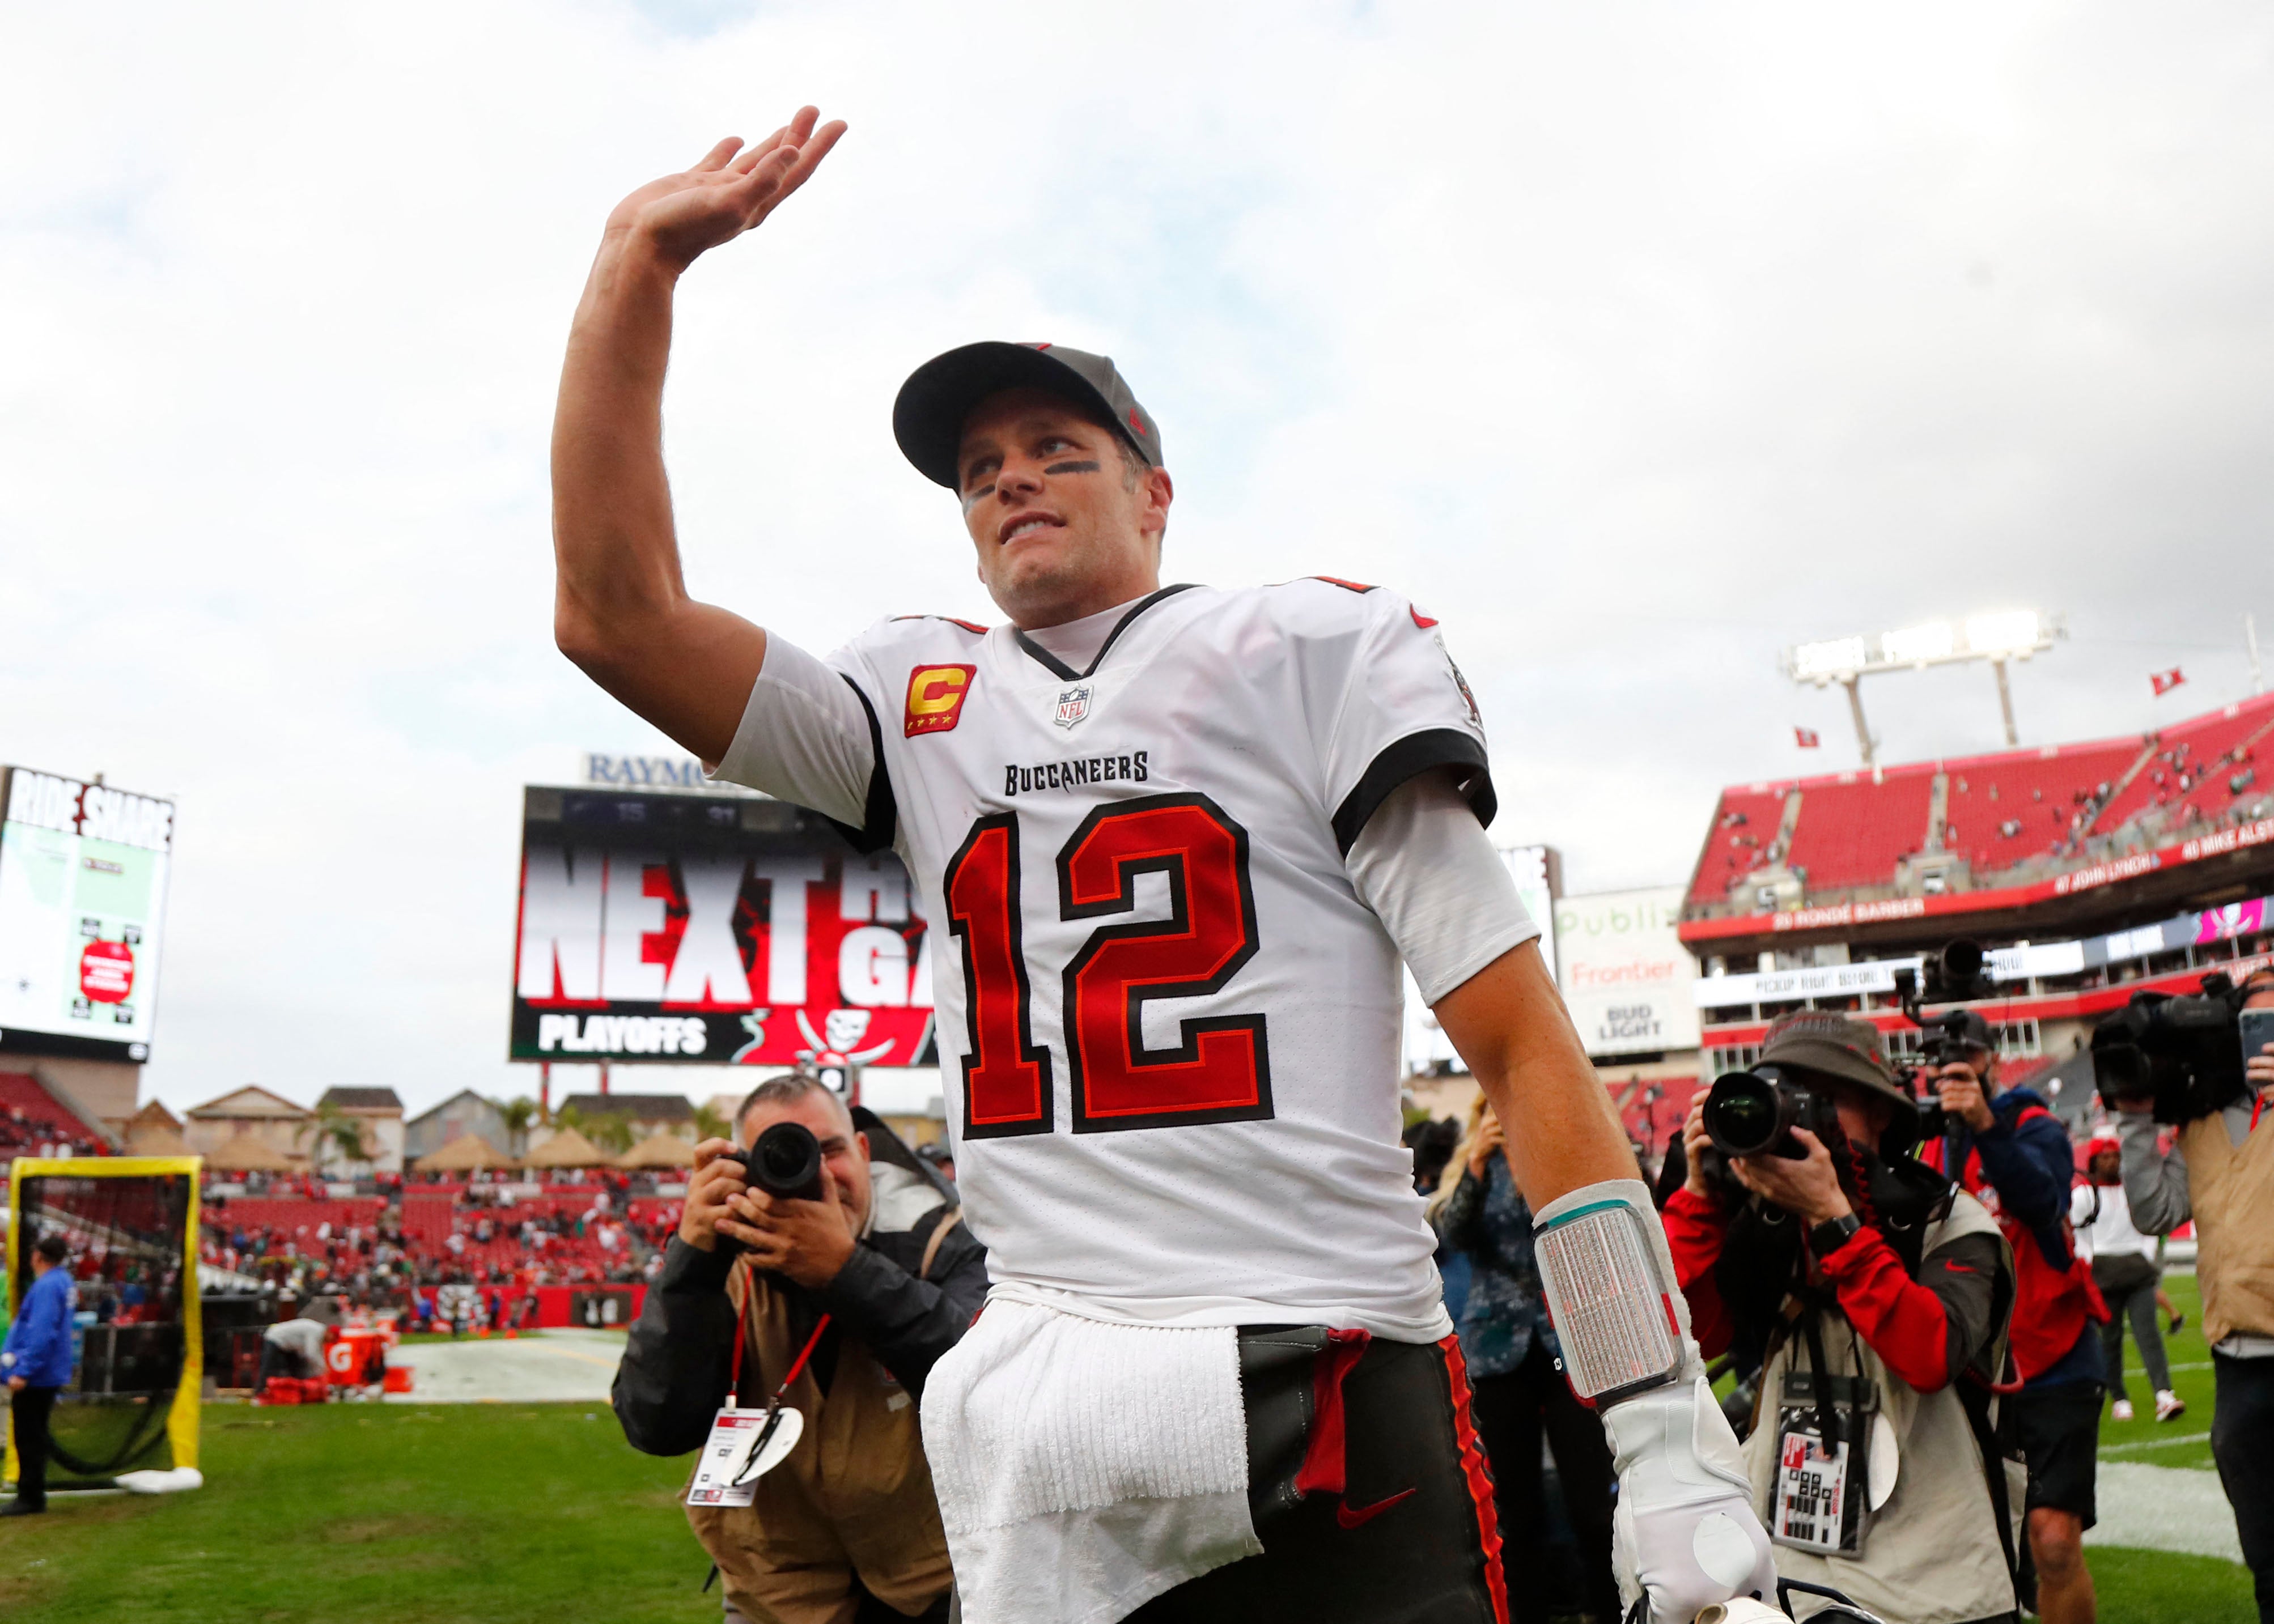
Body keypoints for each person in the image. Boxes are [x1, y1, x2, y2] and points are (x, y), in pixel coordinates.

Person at [551, 104, 1773, 1624]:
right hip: (1044, 1380)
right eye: (980, 466)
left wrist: (1658, 1419)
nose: (1010, 479)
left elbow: (1518, 1042)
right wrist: (635, 268)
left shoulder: (1307, 647)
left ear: (1155, 489)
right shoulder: (909, 697)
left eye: (1057, 448)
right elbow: (614, 615)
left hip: (1311, 1353)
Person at [1663, 1013, 2022, 1624]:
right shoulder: (1763, 1222)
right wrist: (1699, 1201)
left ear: (1881, 1114)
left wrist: (1834, 1219)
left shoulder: (1949, 1222)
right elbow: (1676, 1345)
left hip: (1935, 1571)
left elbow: (1929, 1354)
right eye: (1780, 1100)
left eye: (1823, 1100)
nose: (1799, 1120)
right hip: (1790, 1566)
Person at [613, 1073, 987, 1624]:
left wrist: (846, 1271)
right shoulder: (724, 1253)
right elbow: (656, 1424)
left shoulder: (945, 1234)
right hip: (776, 1589)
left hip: (929, 1582)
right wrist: (691, 1265)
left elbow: (982, 1391)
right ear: (743, 1166)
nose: (816, 1171)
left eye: (830, 1149)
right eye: (784, 1154)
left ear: (863, 1150)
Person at [1920, 1014, 2105, 1624]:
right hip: (1970, 1365)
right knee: (1975, 1549)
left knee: (2053, 1541)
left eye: (1968, 1057)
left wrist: (1983, 1125)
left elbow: (2042, 1199)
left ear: (1992, 1061)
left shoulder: (2033, 1123)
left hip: (2054, 1354)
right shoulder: (1924, 1144)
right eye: (1945, 1062)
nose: (1958, 1071)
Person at [2116, 968, 2274, 1621]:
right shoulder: (2203, 1117)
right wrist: (2131, 1120)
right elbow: (2155, 1211)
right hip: (2237, 1362)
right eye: (2255, 1021)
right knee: (2268, 1557)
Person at [1427, 1098, 1619, 1624]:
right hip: (1496, 1351)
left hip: (1567, 1347)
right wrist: (1477, 1167)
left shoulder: (1555, 1154)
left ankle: (1608, 1610)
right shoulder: (1474, 1167)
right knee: (1513, 1507)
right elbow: (1455, 1236)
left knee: (1592, 1501)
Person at [2072, 1130, 2181, 1423]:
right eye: (2104, 1156)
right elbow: (2076, 1234)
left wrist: (2145, 1256)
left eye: (2115, 1156)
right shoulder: (2084, 1195)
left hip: (2137, 1272)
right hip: (2104, 1274)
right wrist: (2089, 1263)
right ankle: (2119, 1398)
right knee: (2110, 1339)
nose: (2111, 1162)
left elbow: (2148, 1227)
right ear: (2093, 1161)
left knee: (2149, 1334)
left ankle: (2164, 1394)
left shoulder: (2132, 1191)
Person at [1, 1234, 75, 1518]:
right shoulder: (63, 1281)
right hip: (49, 1369)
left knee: (28, 1434)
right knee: (35, 1431)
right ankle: (32, 1492)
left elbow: (42, 1332)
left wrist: (24, 1370)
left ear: (38, 1257)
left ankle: (30, 1496)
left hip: (38, 1374)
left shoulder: (47, 1285)